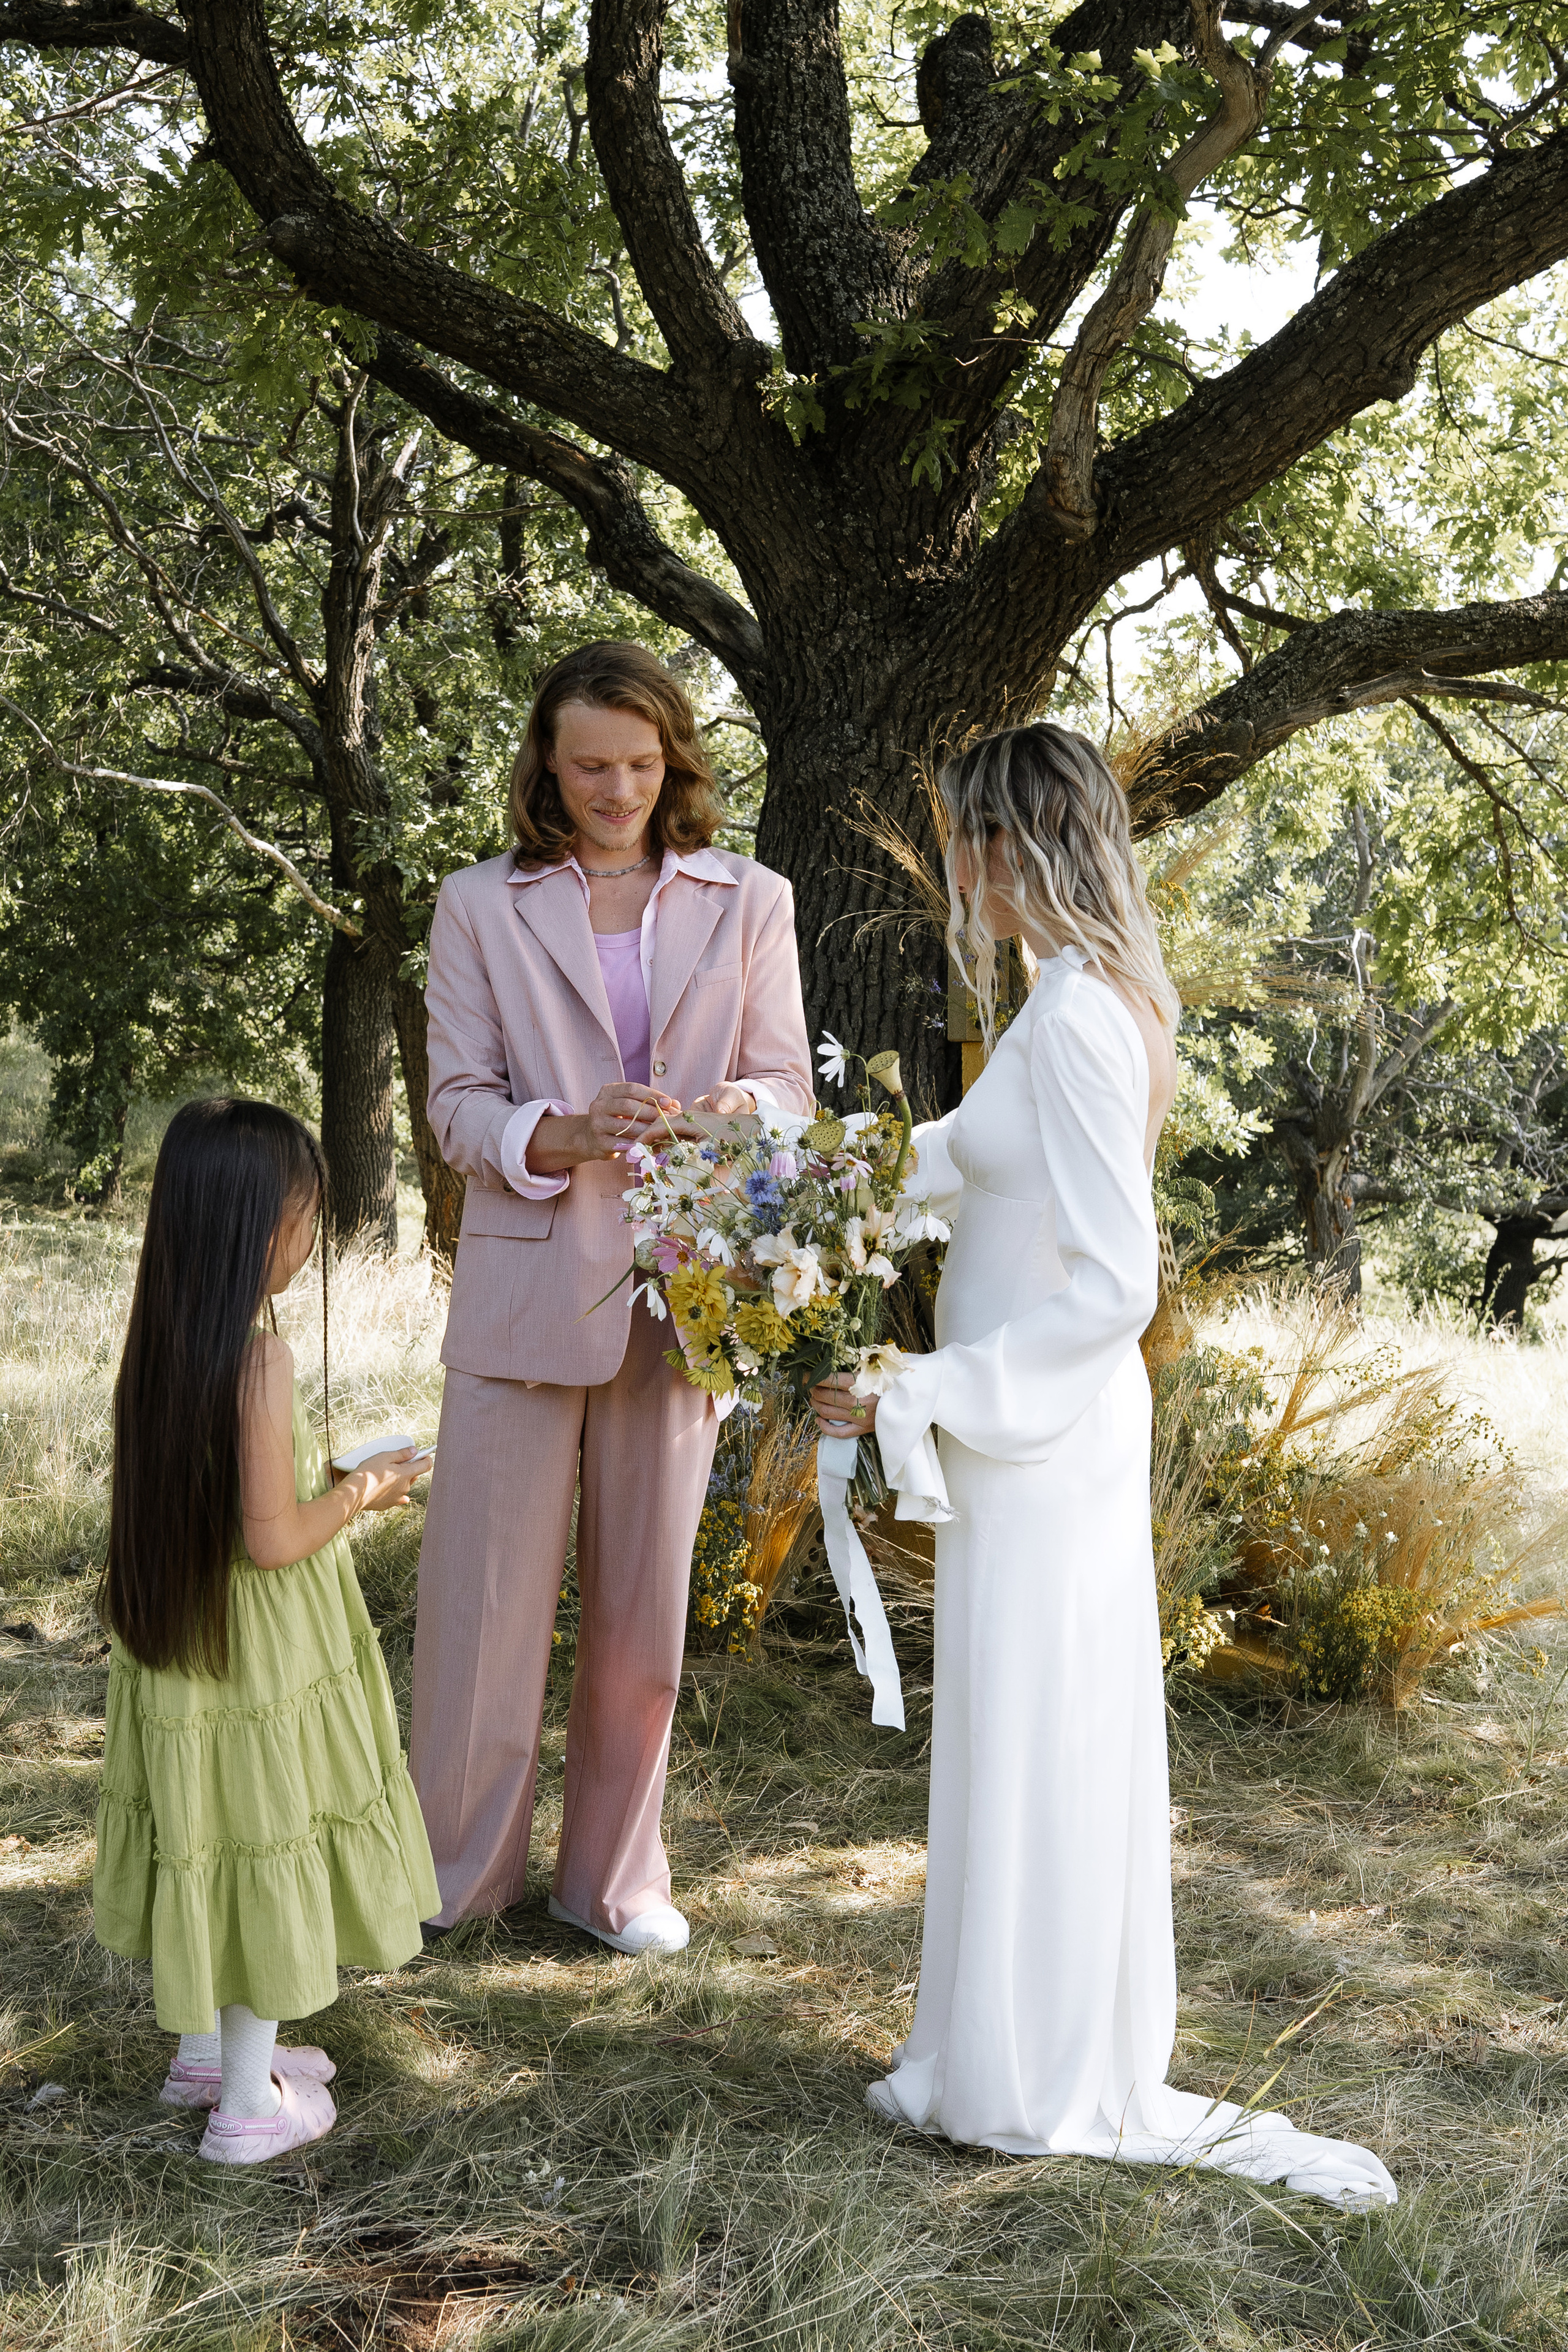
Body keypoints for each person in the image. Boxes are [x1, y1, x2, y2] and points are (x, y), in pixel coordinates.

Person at [811, 723, 1398, 2210]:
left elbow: (1114, 1283)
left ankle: (1030, 2070)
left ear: (1009, 845)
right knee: (1022, 1724)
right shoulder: (1070, 993)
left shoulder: (1076, 1016)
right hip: (1035, 1428)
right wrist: (806, 1186)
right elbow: (972, 1155)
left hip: (1044, 1425)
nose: (953, 860)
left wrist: (927, 1384)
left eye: (963, 832)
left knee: (1040, 1726)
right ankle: (996, 2051)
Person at [413, 641, 813, 1953]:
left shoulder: (752, 898)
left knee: (644, 1615)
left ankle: (612, 1885)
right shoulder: (479, 904)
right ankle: (454, 1876)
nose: (617, 790)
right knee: (483, 1608)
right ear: (546, 763)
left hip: (684, 1291)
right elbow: (455, 1104)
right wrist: (561, 1132)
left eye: (640, 765)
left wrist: (724, 1111)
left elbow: (787, 1089)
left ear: (674, 761)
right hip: (524, 1286)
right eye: (590, 765)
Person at [93, 1098, 439, 2165]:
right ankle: (248, 2109)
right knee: (259, 1839)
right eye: (306, 1217)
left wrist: (311, 1481)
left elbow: (229, 1499)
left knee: (206, 1837)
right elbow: (275, 1539)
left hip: (183, 1646)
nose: (311, 1237)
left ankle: (204, 2053)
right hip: (256, 1660)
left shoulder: (163, 1345)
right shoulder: (261, 1360)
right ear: (257, 1229)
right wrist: (366, 1492)